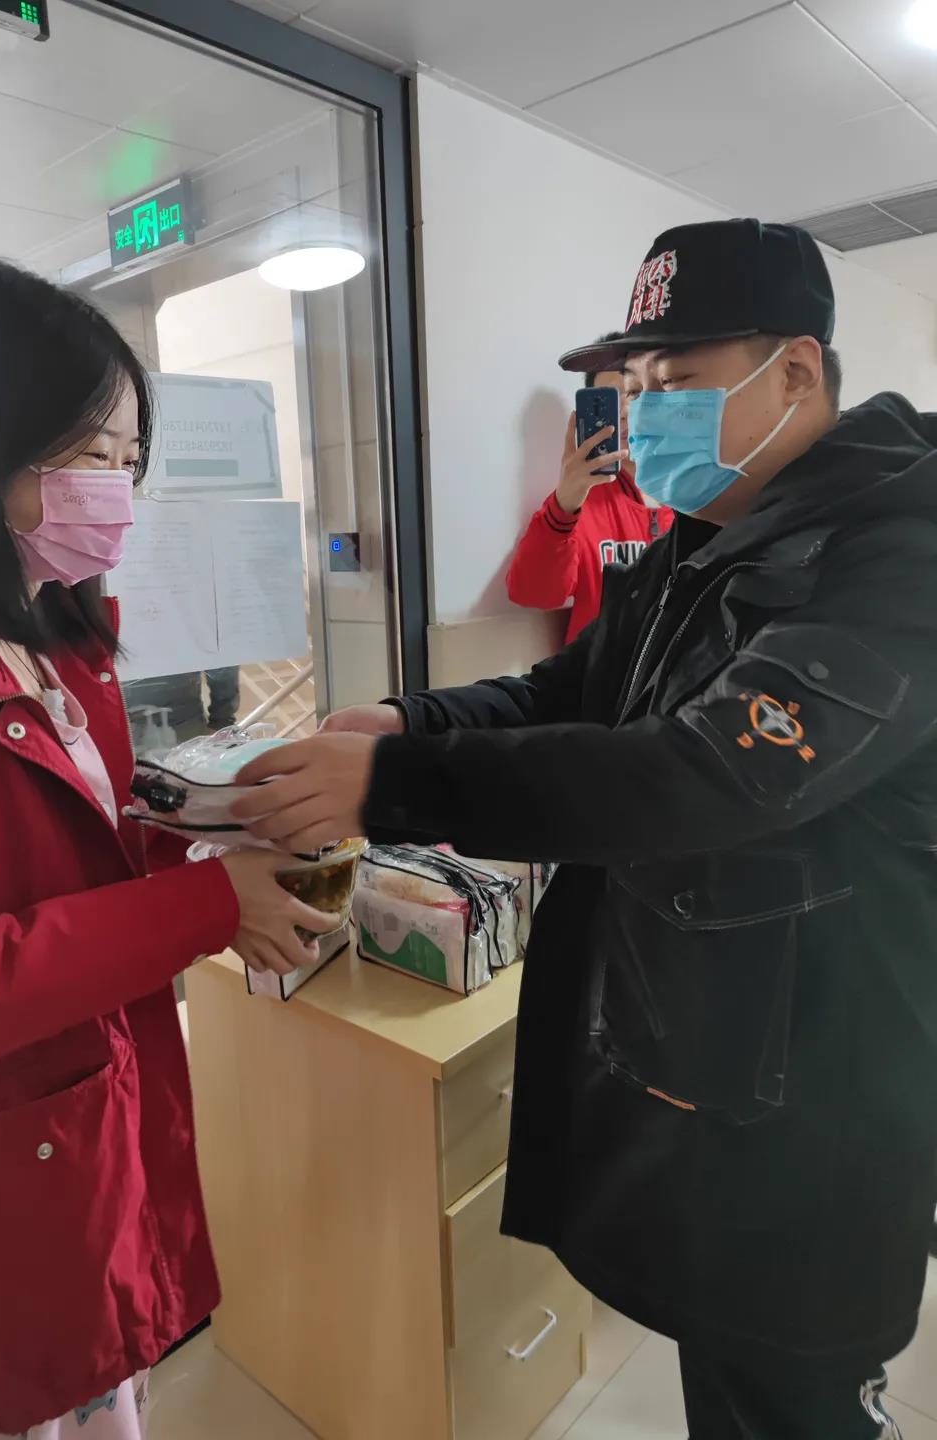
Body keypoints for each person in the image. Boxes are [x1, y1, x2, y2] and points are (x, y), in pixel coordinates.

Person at [233, 219, 937, 1440]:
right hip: (720, 1068)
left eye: (678, 382)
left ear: (796, 373)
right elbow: (571, 692)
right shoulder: (698, 540)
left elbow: (704, 772)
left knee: (794, 1395)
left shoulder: (897, 555)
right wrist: (406, 717)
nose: (645, 414)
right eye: (636, 386)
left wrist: (392, 781)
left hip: (830, 1096)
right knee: (730, 1377)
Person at [0, 260, 329, 1440]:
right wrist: (209, 908)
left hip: (92, 1112)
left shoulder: (53, 632)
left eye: (129, 460)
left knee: (110, 1384)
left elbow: (74, 861)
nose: (117, 490)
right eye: (89, 455)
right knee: (39, 1394)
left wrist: (213, 835)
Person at [506, 334, 673, 641]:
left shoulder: (696, 500)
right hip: (600, 670)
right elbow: (534, 594)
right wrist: (564, 504)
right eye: (608, 400)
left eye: (634, 394)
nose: (623, 411)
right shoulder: (581, 501)